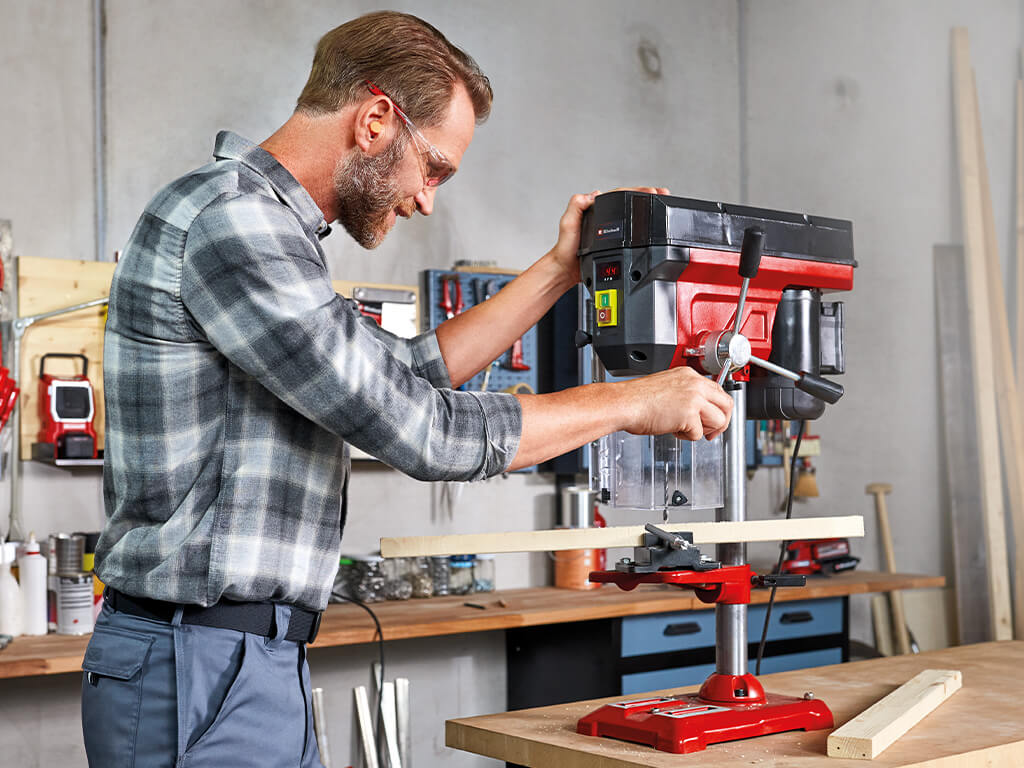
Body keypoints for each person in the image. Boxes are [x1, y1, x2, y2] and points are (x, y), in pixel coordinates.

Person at [82, 10, 733, 768]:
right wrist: (634, 403)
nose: (428, 199)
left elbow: (405, 373)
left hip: (242, 658)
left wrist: (561, 269)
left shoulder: (276, 236)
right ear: (376, 120)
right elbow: (423, 429)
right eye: (435, 168)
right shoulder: (236, 223)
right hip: (197, 659)